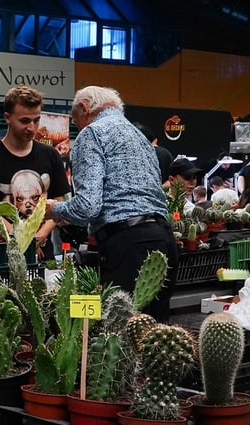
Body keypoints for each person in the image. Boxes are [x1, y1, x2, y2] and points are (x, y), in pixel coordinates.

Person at [45, 86, 177, 321]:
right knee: (155, 331)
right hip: (164, 239)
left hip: (127, 244)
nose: (79, 129)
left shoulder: (92, 133)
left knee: (120, 332)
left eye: (76, 123)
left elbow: (87, 206)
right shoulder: (139, 136)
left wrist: (54, 209)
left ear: (84, 109)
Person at [0, 85, 70, 258]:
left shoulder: (51, 155)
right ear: (7, 117)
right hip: (0, 255)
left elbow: (59, 202)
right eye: (24, 121)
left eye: (36, 120)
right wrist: (20, 238)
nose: (32, 127)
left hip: (43, 253)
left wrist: (40, 235)